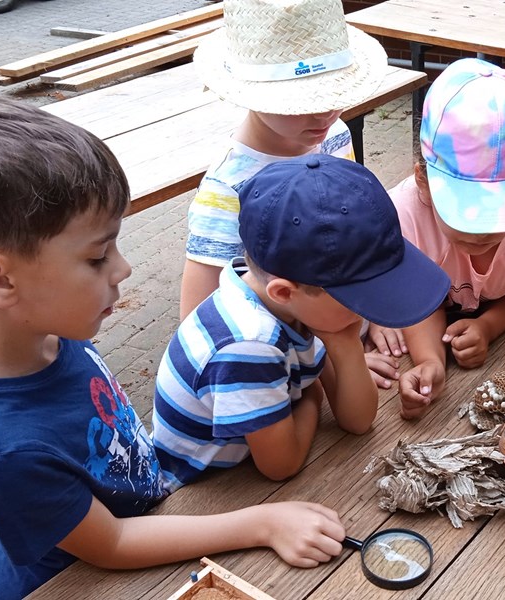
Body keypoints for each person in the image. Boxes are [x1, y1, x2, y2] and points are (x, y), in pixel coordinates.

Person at [0, 97, 359, 600]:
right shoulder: (7, 450)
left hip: (146, 507)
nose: (124, 268)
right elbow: (111, 544)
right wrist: (261, 523)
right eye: (97, 257)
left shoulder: (47, 332)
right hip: (66, 581)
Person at [153, 155, 449, 490]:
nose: (366, 311)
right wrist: (312, 397)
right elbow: (282, 464)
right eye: (356, 299)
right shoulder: (248, 346)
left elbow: (358, 421)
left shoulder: (297, 304)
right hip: (197, 487)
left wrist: (346, 344)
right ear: (283, 291)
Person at [180, 0, 400, 388]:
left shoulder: (333, 136)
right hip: (286, 368)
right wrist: (333, 362)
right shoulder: (228, 187)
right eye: (304, 102)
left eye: (333, 94)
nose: (325, 113)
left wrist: (374, 311)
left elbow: (355, 240)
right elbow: (197, 322)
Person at [387, 58, 505, 420]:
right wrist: (430, 361)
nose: (484, 230)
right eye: (469, 208)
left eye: (500, 208)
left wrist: (489, 326)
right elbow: (419, 299)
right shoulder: (401, 219)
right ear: (422, 179)